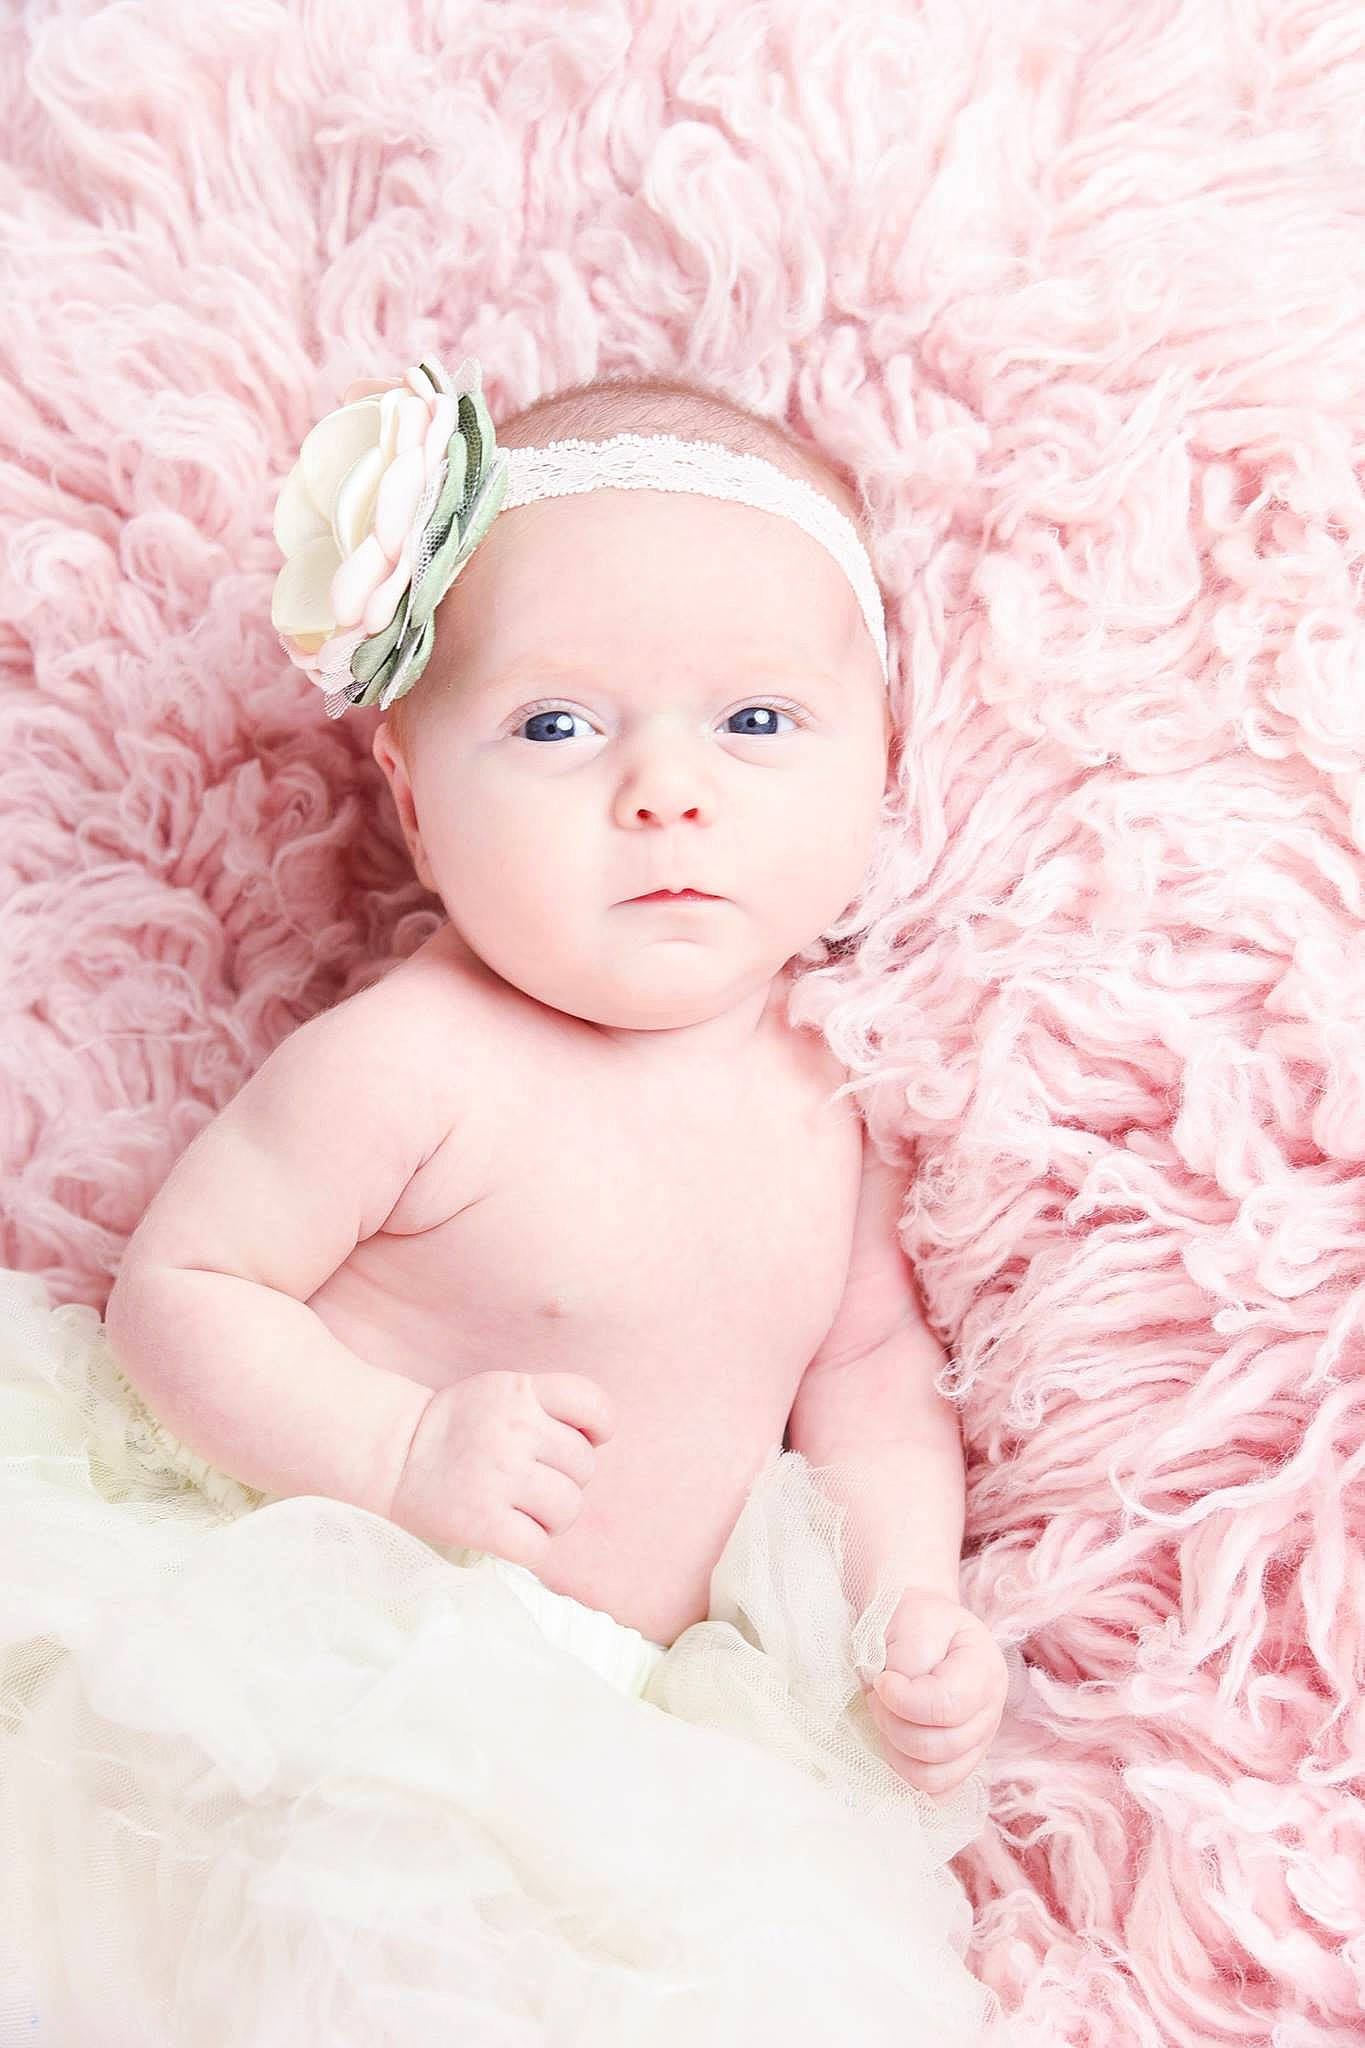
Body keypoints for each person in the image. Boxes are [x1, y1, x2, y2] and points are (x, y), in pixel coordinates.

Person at [0, 357, 1009, 2043]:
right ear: (410, 790)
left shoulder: (829, 1102)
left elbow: (870, 1381)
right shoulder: (408, 1061)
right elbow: (185, 1292)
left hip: (642, 1740)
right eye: (555, 724)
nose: (664, 790)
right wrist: (393, 1454)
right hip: (338, 1667)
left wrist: (913, 1602)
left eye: (757, 722)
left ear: (880, 768)